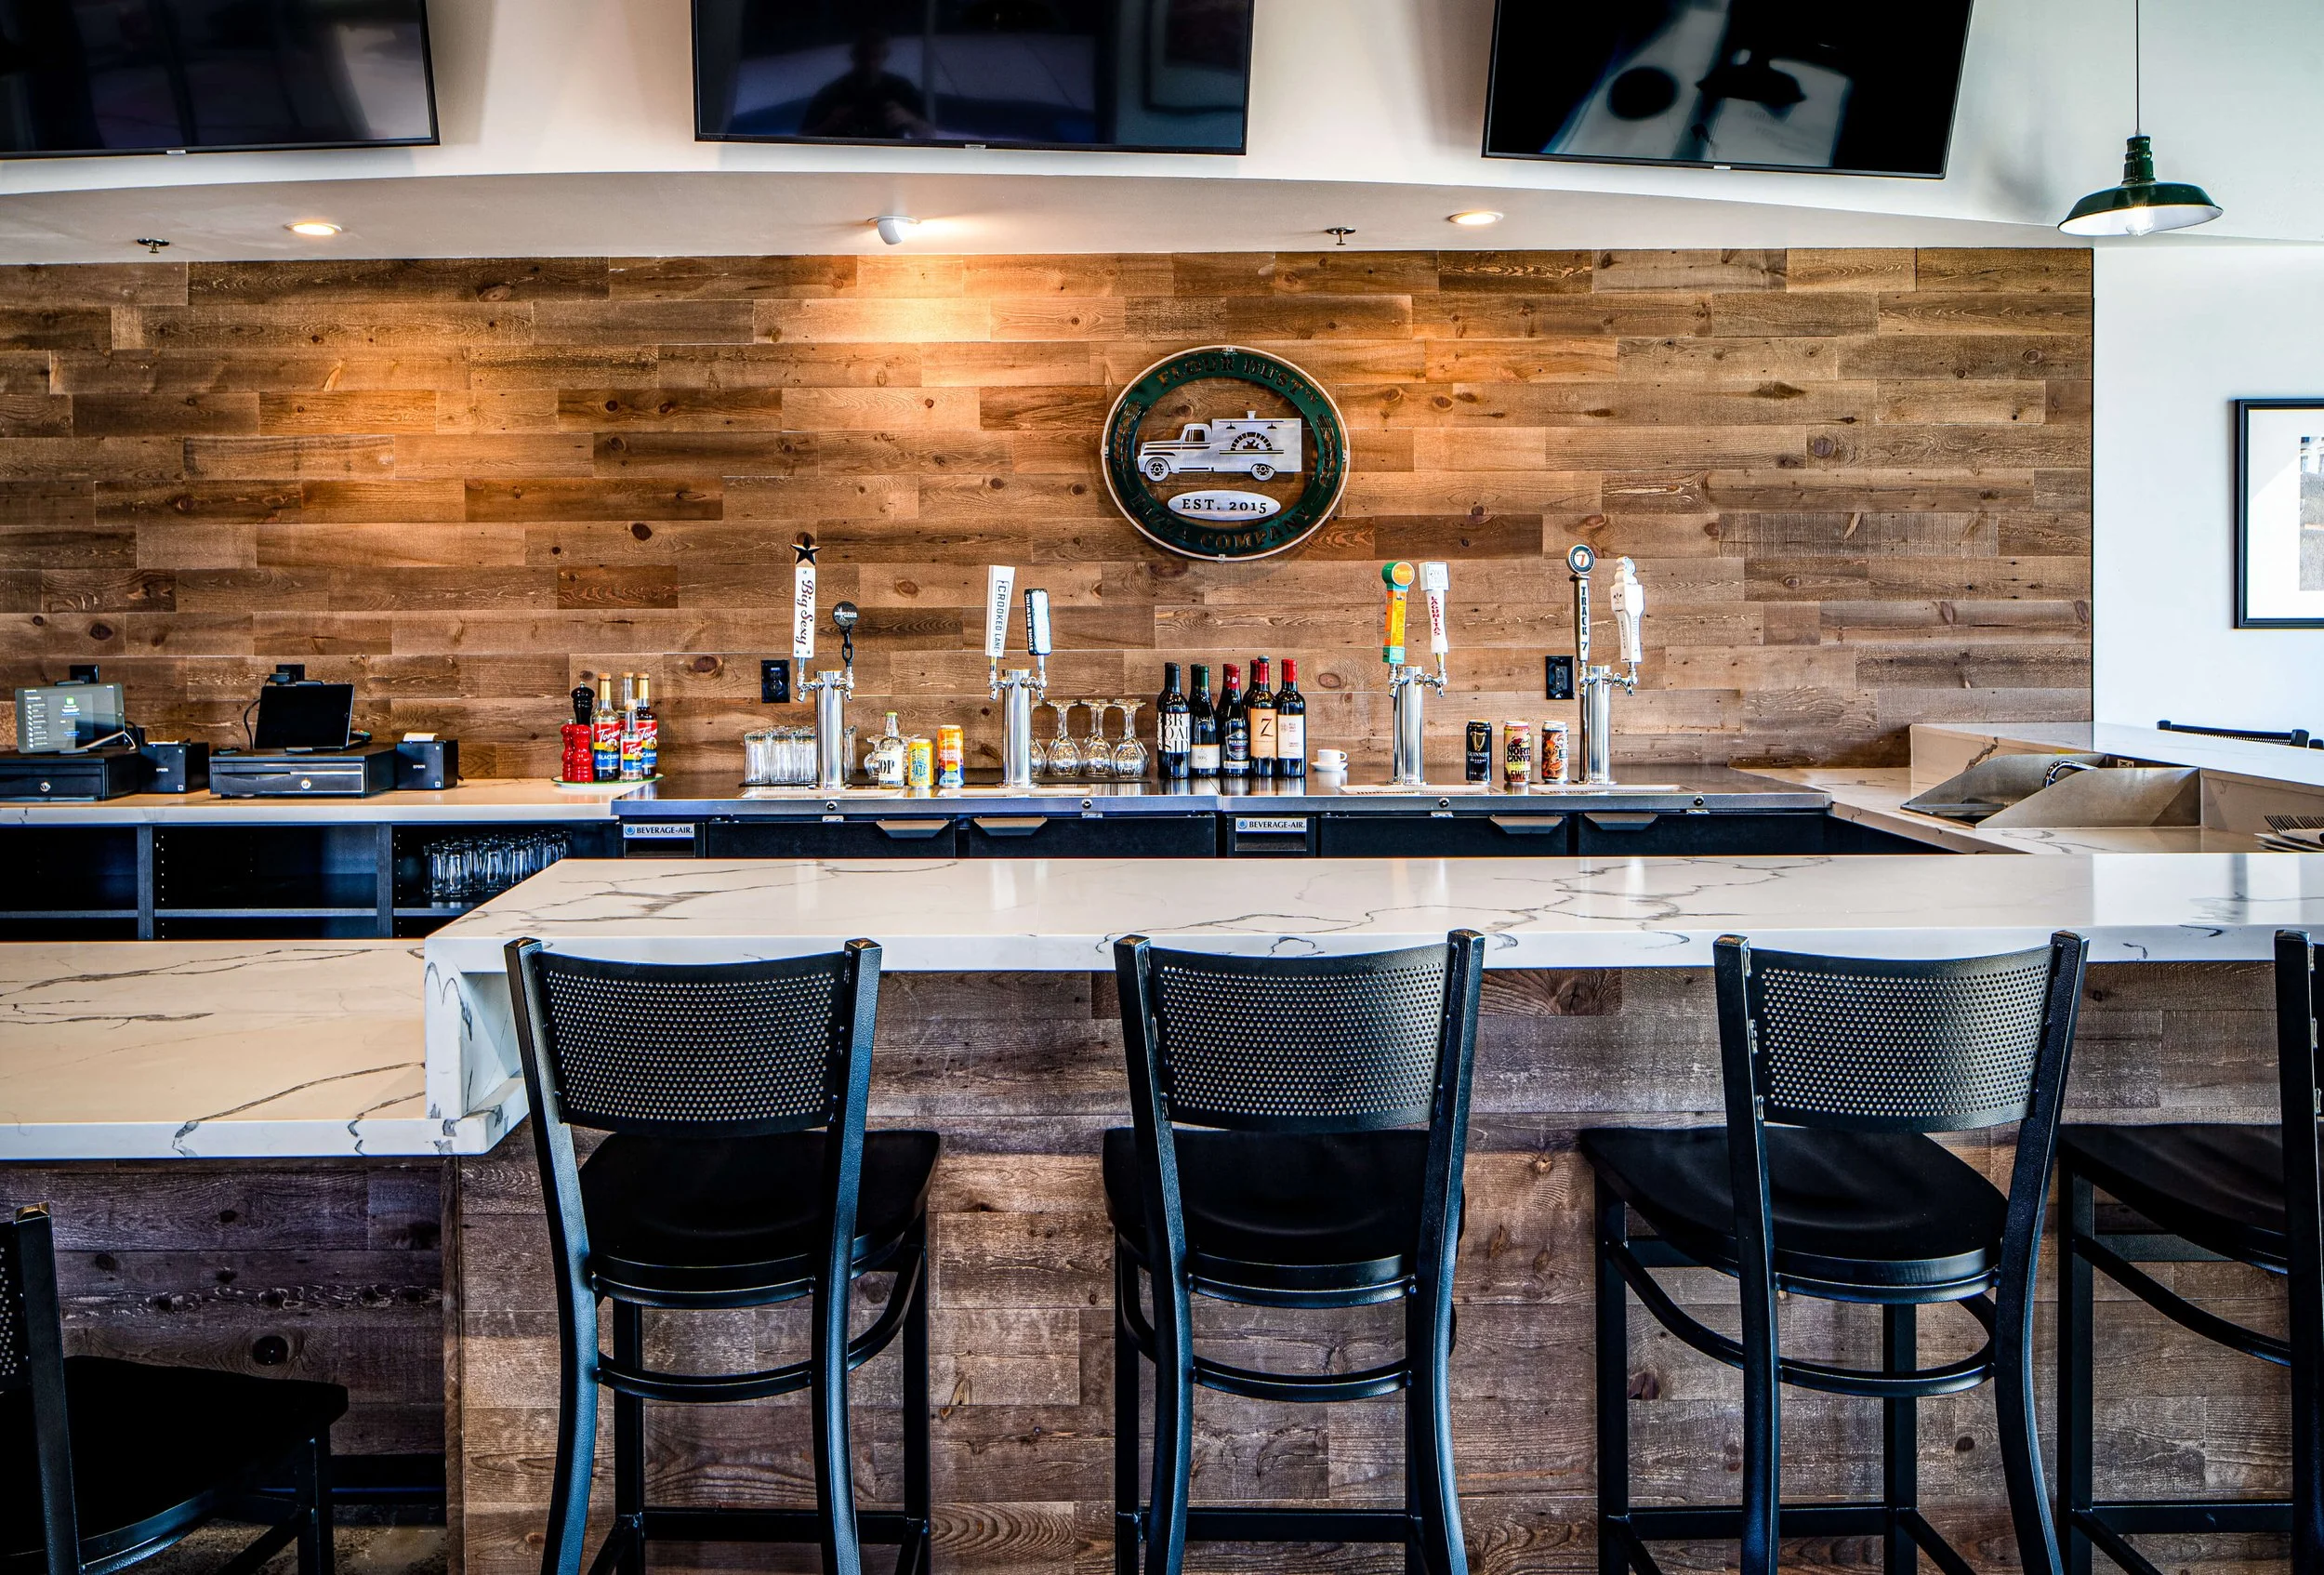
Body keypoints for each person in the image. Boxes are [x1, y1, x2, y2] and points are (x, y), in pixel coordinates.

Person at [801, 31, 933, 140]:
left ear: (884, 56)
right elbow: (802, 138)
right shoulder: (832, 92)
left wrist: (909, 119)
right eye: (864, 56)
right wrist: (830, 124)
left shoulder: (902, 88)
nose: (870, 64)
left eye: (875, 57)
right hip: (845, 157)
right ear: (854, 56)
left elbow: (928, 134)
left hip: (889, 158)